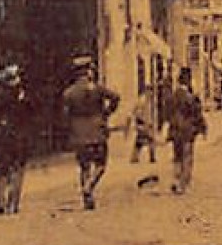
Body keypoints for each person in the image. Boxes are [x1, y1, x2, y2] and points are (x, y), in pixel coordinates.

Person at [61, 56, 120, 211]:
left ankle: (87, 199)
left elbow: (65, 115)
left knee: (84, 166)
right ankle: (89, 186)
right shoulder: (98, 89)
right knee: (101, 164)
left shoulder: (69, 93)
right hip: (97, 130)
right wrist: (106, 113)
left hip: (78, 133)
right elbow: (116, 98)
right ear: (88, 71)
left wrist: (71, 128)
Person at [0, 66, 31, 216]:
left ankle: (1, 203)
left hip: (1, 138)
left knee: (1, 172)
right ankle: (14, 203)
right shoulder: (22, 97)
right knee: (18, 170)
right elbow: (29, 117)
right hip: (19, 138)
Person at [167, 68, 208, 195]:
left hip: (175, 131)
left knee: (177, 156)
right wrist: (203, 128)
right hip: (187, 132)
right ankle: (182, 184)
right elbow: (197, 114)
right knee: (187, 157)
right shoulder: (191, 98)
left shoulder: (172, 96)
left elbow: (166, 113)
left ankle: (176, 179)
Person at [130, 90, 158, 166]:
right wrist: (144, 122)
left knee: (141, 141)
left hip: (145, 123)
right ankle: (151, 157)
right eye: (151, 93)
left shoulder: (146, 100)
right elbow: (138, 112)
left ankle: (135, 157)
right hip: (143, 123)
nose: (152, 95)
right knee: (149, 140)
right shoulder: (143, 100)